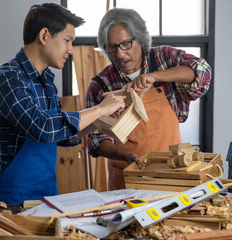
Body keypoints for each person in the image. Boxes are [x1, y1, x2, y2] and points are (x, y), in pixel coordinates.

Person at [0, 3, 126, 206]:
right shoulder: (8, 78)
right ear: (44, 35)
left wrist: (100, 120)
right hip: (10, 201)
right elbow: (43, 128)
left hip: (47, 197)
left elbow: (62, 136)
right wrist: (100, 108)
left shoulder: (46, 80)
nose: (71, 50)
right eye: (67, 40)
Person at [86, 8, 212, 190]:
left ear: (142, 40)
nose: (120, 54)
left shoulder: (163, 58)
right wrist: (124, 156)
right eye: (112, 47)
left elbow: (202, 72)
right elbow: (96, 142)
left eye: (126, 44)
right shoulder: (100, 84)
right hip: (126, 180)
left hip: (171, 174)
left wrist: (156, 77)